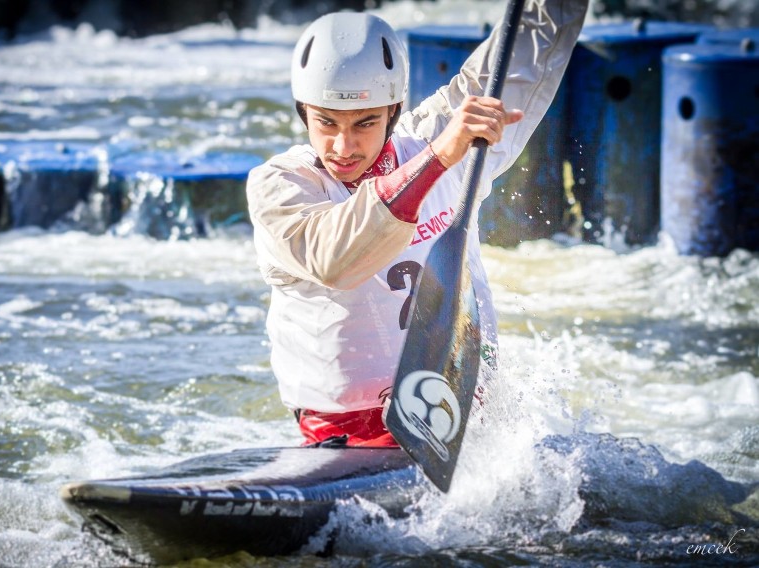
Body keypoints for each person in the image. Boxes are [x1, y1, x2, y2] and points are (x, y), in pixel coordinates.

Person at [247, 0, 588, 447]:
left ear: (392, 111)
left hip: (467, 417)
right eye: (325, 122)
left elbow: (530, 47)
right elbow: (336, 259)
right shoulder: (281, 186)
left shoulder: (438, 134)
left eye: (365, 123)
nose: (343, 146)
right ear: (302, 112)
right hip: (347, 439)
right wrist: (440, 157)